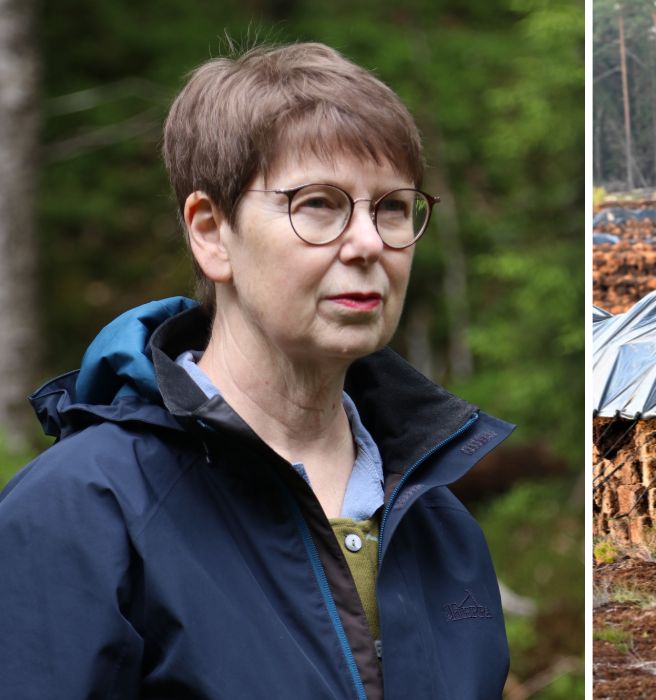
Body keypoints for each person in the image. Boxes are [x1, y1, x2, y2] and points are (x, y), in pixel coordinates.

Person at [0, 42, 513, 699]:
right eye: (319, 204)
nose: (368, 243)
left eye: (391, 207)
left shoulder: (439, 524)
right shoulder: (81, 513)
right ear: (211, 232)